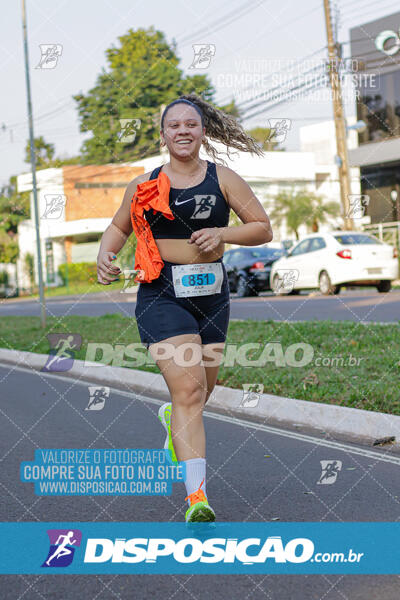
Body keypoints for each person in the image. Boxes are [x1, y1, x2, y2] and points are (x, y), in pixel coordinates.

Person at [97, 93, 273, 522]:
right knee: (191, 390)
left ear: (202, 132)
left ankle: (171, 414)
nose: (182, 131)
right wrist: (106, 254)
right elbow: (119, 227)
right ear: (163, 135)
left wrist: (223, 236)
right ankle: (198, 498)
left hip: (212, 296)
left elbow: (262, 228)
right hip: (161, 293)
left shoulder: (223, 178)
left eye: (190, 124)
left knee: (201, 390)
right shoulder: (144, 186)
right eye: (173, 125)